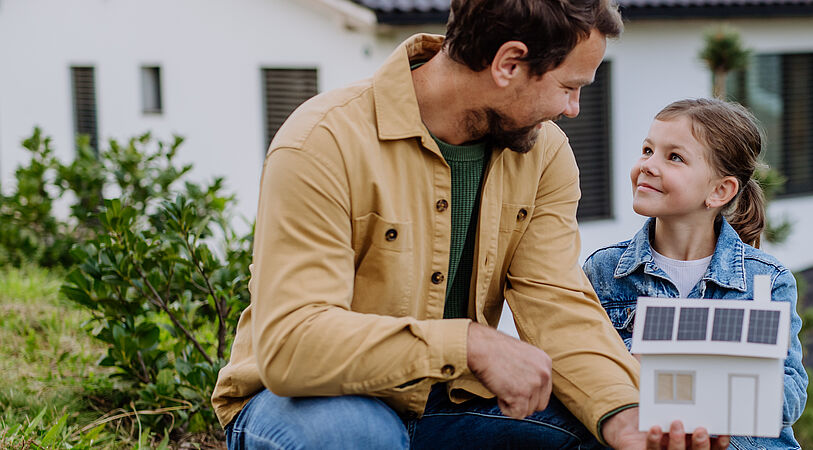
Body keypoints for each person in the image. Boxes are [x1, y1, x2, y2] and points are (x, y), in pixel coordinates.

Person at [210, 1, 720, 448]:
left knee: (605, 431)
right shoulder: (323, 140)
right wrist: (469, 343)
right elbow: (292, 345)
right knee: (357, 435)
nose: (572, 108)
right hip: (309, 405)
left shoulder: (545, 155)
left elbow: (556, 302)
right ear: (509, 63)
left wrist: (624, 413)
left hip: (450, 406)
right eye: (568, 86)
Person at [583, 98, 810, 449]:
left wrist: (677, 375)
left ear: (720, 191)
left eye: (674, 157)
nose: (648, 165)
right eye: (647, 150)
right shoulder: (603, 270)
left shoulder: (766, 281)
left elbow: (790, 395)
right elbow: (582, 375)